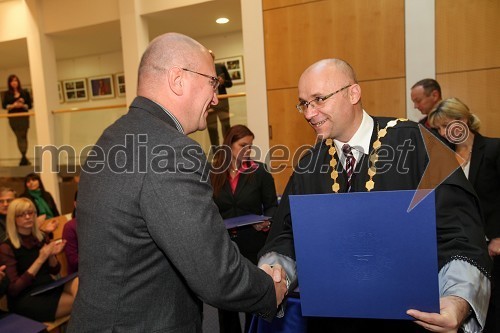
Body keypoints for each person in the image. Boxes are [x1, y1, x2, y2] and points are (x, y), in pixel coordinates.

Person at [67, 32, 287, 333]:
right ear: (177, 79)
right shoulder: (172, 150)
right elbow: (215, 273)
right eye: (213, 83)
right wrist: (269, 290)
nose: (216, 98)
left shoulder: (111, 138)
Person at [258, 58, 492, 333]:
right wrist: (277, 272)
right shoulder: (310, 164)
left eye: (319, 99)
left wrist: (457, 299)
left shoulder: (414, 142)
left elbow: (459, 231)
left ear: (353, 93)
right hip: (333, 320)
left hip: (412, 319)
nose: (309, 113)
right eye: (304, 103)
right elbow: (288, 233)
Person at [428, 97, 500, 333]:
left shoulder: (493, 148)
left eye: (446, 125)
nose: (443, 132)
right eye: (437, 128)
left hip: (495, 246)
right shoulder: (443, 159)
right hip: (463, 248)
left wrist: (499, 237)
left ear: (464, 120)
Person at [211, 125, 279, 333]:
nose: (247, 150)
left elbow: (272, 206)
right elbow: (206, 207)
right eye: (242, 145)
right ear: (229, 144)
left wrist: (266, 221)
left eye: (249, 146)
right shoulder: (213, 173)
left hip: (252, 244)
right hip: (223, 247)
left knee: (252, 299)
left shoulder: (259, 172)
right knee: (225, 303)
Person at [0, 198, 78, 322]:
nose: (28, 217)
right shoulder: (6, 247)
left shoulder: (40, 236)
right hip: (26, 298)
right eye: (22, 214)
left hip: (48, 287)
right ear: (13, 219)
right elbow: (14, 289)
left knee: (78, 283)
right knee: (82, 303)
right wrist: (41, 259)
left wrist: (51, 255)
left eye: (31, 213)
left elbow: (55, 270)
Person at [2, 75, 33, 166]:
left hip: (23, 116)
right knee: (18, 136)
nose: (14, 82)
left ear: (18, 82)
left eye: (15, 80)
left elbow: (30, 105)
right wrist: (13, 105)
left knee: (24, 136)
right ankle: (23, 156)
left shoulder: (24, 92)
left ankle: (24, 157)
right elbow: (4, 106)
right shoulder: (7, 94)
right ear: (9, 83)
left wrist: (22, 105)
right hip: (13, 117)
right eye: (12, 81)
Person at [207, 50, 233, 148]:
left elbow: (230, 83)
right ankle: (216, 154)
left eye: (211, 56)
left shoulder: (220, 67)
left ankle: (229, 149)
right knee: (212, 129)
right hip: (209, 102)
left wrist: (223, 82)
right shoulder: (201, 69)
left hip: (222, 101)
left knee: (226, 126)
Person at [62, 191, 78, 275]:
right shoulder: (70, 227)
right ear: (75, 204)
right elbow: (74, 262)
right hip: (78, 274)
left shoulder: (100, 223)